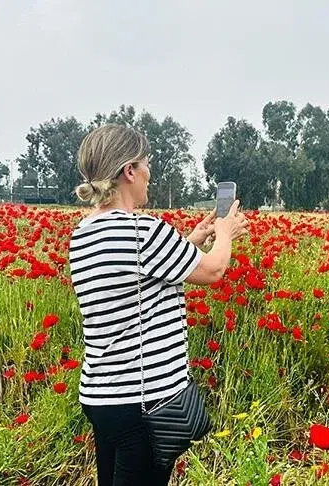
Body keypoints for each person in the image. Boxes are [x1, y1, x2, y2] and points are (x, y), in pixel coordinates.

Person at [68, 124, 249, 485]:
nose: (150, 172)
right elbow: (213, 271)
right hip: (144, 403)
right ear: (129, 171)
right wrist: (225, 234)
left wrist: (190, 239)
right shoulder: (142, 230)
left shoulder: (84, 231)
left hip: (102, 398)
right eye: (146, 163)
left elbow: (133, 273)